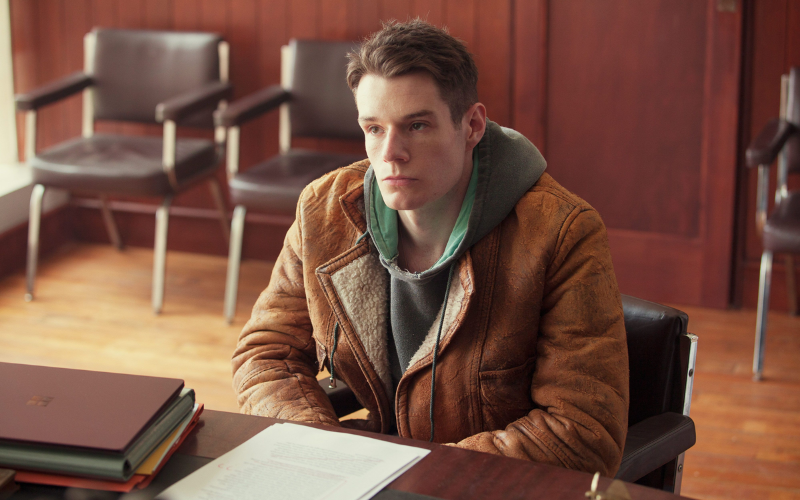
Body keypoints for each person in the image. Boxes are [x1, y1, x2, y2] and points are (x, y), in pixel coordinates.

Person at [232, 19, 629, 476]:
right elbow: (266, 354)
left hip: (480, 485)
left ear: (473, 125)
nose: (391, 153)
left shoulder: (561, 232)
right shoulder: (323, 211)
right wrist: (325, 455)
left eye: (416, 125)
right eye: (374, 128)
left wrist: (415, 473)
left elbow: (582, 433)